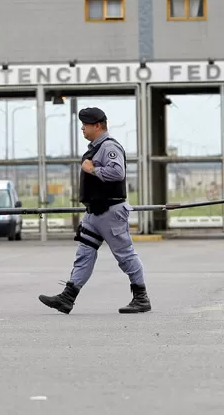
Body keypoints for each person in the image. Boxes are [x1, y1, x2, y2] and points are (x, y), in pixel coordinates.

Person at [38, 107, 151, 314]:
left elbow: (117, 172)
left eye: (85, 124)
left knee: (125, 255)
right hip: (95, 213)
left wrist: (93, 169)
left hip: (110, 212)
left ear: (97, 125)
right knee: (84, 254)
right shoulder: (95, 147)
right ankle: (67, 297)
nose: (82, 128)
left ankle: (141, 297)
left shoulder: (109, 147)